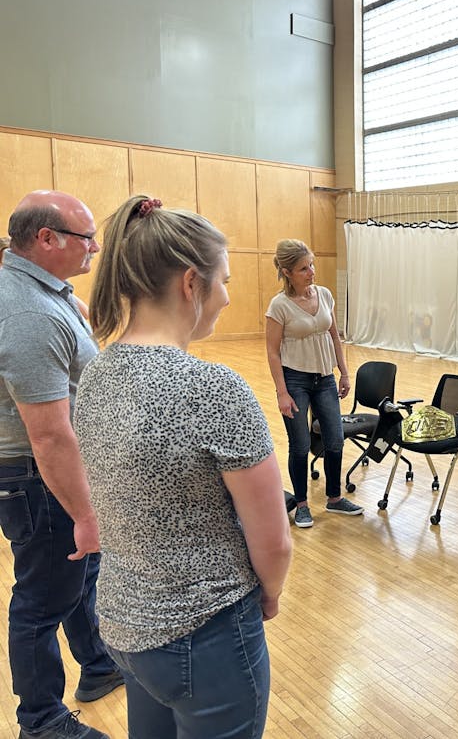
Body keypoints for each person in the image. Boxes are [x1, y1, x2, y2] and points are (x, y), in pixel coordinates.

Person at [73, 195, 293, 738]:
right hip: (206, 634)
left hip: (124, 623)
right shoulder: (214, 389)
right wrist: (270, 591)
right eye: (224, 281)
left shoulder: (96, 373)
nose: (227, 296)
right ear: (191, 283)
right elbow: (273, 541)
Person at [0, 192, 122, 739]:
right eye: (85, 237)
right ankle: (41, 720)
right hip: (36, 475)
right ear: (46, 239)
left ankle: (97, 665)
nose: (94, 247)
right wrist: (86, 514)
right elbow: (48, 435)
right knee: (42, 598)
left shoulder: (47, 290)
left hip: (49, 471)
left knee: (76, 577)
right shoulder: (29, 313)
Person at [266, 238, 361, 528]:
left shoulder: (325, 295)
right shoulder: (279, 306)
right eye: (304, 268)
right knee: (300, 444)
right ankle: (302, 505)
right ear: (287, 272)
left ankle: (334, 498)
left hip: (325, 379)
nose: (312, 272)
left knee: (335, 440)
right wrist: (282, 393)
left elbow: (334, 336)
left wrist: (344, 372)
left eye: (312, 265)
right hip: (295, 381)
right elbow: (272, 351)